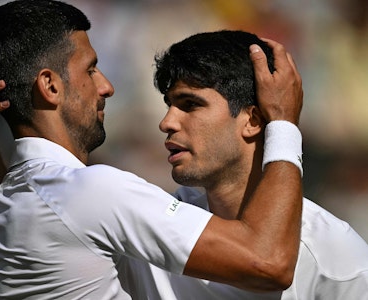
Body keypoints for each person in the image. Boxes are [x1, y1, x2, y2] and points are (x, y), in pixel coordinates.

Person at [0, 1, 304, 299]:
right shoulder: (91, 191)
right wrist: (283, 123)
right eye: (90, 69)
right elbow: (268, 262)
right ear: (50, 85)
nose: (106, 86)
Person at [119, 30, 368, 299]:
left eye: (190, 104)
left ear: (253, 121)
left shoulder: (336, 259)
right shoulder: (151, 230)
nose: (166, 122)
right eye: (169, 104)